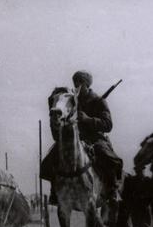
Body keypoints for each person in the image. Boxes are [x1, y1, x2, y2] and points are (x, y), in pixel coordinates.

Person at [41, 70, 123, 203]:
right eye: (75, 82)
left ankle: (112, 190)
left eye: (79, 82)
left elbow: (108, 125)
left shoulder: (99, 101)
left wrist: (88, 119)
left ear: (86, 84)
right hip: (75, 138)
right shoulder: (71, 101)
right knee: (51, 158)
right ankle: (55, 191)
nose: (76, 85)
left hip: (95, 139)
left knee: (108, 157)